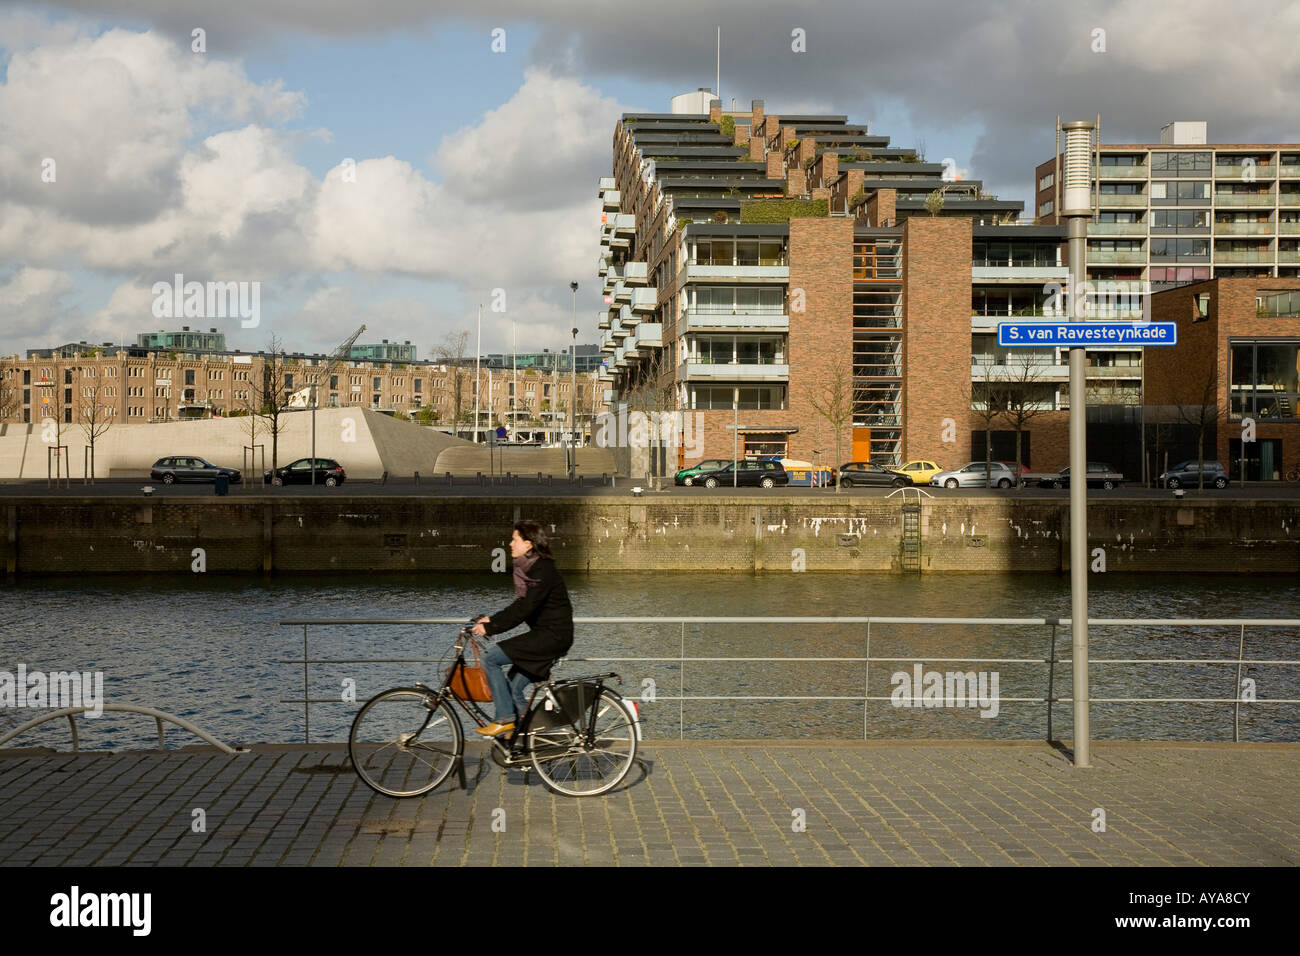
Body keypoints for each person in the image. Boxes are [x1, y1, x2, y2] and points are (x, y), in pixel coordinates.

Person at [470, 520, 573, 736]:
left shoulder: (541, 570)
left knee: (490, 658)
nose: (509, 544)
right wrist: (492, 620)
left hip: (551, 637)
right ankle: (528, 740)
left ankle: (505, 718)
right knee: (513, 688)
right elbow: (521, 605)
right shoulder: (532, 568)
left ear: (528, 544)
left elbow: (525, 607)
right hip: (548, 635)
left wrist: (490, 629)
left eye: (514, 539)